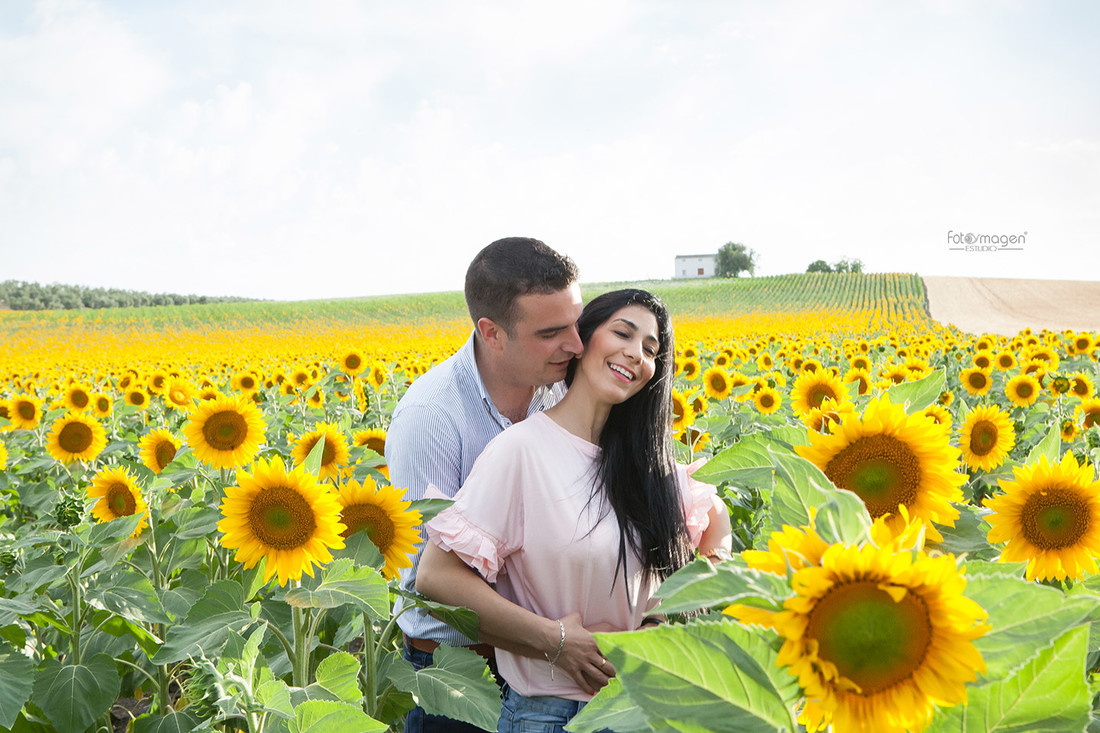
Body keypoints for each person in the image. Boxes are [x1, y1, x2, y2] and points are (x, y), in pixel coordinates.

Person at [416, 288, 733, 733]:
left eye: (650, 349)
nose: (635, 354)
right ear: (584, 341)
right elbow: (436, 577)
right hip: (551, 715)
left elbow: (714, 517)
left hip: (643, 709)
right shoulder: (521, 451)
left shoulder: (645, 465)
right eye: (622, 333)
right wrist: (556, 642)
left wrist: (666, 618)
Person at [386, 237, 584, 733]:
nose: (577, 345)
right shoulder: (433, 417)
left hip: (553, 668)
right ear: (492, 333)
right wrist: (552, 638)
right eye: (551, 332)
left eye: (576, 324)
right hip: (462, 670)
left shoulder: (562, 386)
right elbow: (432, 587)